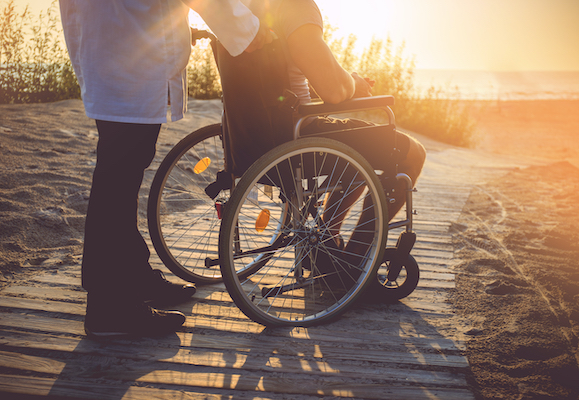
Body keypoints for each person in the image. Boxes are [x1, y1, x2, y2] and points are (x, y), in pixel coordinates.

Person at [59, 0, 272, 339]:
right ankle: (109, 306)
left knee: (122, 170)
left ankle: (130, 278)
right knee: (118, 176)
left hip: (115, 44)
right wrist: (248, 30)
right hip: (128, 54)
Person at [220, 0, 426, 257]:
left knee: (353, 147)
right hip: (296, 138)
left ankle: (328, 240)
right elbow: (334, 90)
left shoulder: (241, 10)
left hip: (249, 142)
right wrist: (353, 83)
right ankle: (357, 258)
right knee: (414, 153)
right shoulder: (296, 8)